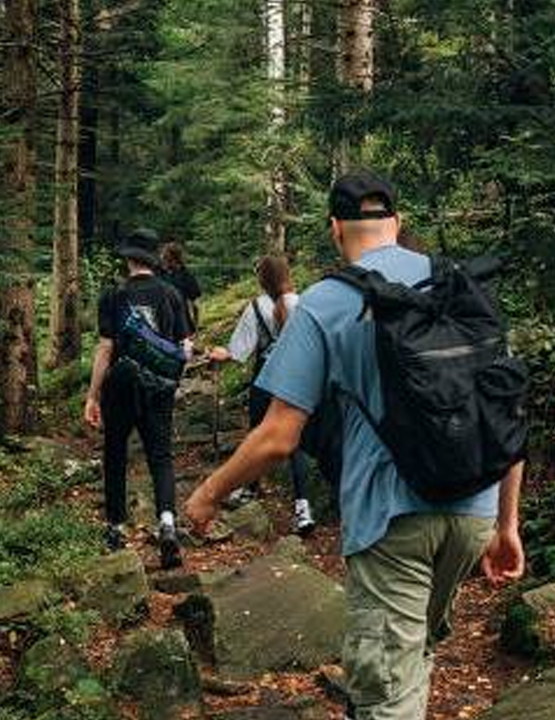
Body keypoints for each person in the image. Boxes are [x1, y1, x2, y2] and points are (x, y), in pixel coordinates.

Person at [185, 172, 526, 719]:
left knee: (386, 690)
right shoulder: (458, 285)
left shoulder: (326, 302)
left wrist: (209, 493)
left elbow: (277, 437)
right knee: (410, 656)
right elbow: (505, 407)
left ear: (335, 228)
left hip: (392, 523)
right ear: (398, 221)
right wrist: (507, 525)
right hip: (474, 512)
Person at [85, 228, 192, 569]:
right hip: (158, 387)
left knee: (115, 453)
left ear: (129, 259)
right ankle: (167, 524)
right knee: (160, 456)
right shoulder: (171, 294)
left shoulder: (113, 295)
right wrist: (173, 380)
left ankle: (116, 528)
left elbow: (105, 348)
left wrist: (92, 395)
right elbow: (184, 346)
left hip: (120, 385)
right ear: (152, 259)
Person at [207, 255, 316, 536]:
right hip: (297, 381)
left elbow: (238, 352)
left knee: (257, 435)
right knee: (297, 443)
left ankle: (250, 489)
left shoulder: (256, 307)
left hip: (266, 380)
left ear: (262, 280)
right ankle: (303, 508)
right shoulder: (304, 303)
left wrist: (219, 354)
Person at [161, 241, 202, 333]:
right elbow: (196, 304)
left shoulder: (185, 276)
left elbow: (195, 304)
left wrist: (196, 326)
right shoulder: (162, 275)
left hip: (180, 325)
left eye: (166, 258)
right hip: (172, 325)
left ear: (173, 259)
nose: (163, 261)